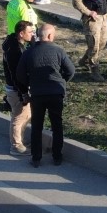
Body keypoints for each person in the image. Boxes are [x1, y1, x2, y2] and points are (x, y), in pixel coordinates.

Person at [15, 23, 76, 167]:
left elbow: (20, 74)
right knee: (57, 125)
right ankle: (57, 156)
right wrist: (61, 82)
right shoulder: (59, 51)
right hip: (56, 93)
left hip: (37, 94)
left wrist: (30, 84)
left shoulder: (29, 52)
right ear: (49, 36)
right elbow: (71, 71)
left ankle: (36, 158)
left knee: (37, 126)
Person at [2, 19, 35, 155]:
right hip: (16, 90)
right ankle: (16, 146)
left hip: (16, 88)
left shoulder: (13, 44)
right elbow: (17, 75)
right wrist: (23, 93)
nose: (33, 35)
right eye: (30, 32)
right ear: (21, 34)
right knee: (19, 116)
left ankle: (19, 141)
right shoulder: (15, 51)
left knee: (25, 114)